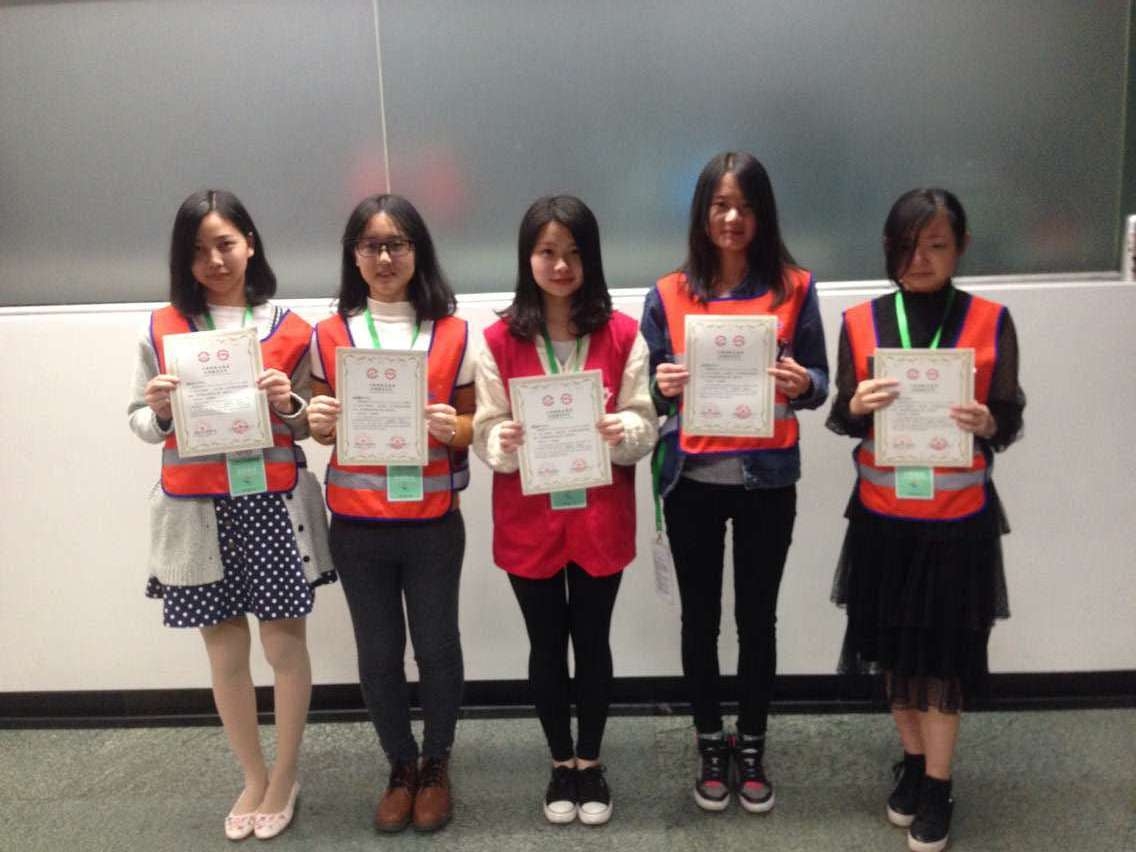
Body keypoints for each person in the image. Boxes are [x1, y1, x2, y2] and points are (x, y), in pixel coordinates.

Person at [128, 189, 334, 841]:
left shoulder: (293, 329)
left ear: (250, 243)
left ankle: (285, 774)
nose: (214, 260)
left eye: (225, 244)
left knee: (283, 646)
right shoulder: (161, 327)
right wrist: (160, 410)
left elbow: (312, 422)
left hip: (270, 502)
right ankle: (252, 773)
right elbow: (138, 421)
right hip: (195, 509)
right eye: (198, 250)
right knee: (224, 652)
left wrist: (289, 403)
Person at [827, 188, 1024, 852]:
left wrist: (988, 421)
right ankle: (912, 763)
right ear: (889, 249)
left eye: (936, 245)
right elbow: (842, 415)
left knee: (940, 662)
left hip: (955, 525)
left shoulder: (991, 320)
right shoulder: (861, 321)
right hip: (882, 521)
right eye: (908, 246)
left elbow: (1008, 419)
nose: (920, 258)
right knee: (892, 653)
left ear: (960, 247)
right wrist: (856, 404)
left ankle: (939, 785)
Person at [640, 152, 829, 813]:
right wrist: (660, 387)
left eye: (745, 206)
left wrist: (804, 383)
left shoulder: (795, 288)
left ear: (762, 214)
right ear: (702, 213)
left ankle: (751, 743)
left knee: (757, 619)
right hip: (691, 479)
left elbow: (821, 383)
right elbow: (644, 394)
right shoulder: (667, 293)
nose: (731, 218)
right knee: (700, 621)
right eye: (720, 205)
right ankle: (708, 741)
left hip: (766, 482)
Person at [473, 195, 657, 826]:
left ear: (591, 258)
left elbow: (645, 420)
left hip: (600, 514)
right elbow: (486, 427)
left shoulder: (623, 334)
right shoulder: (498, 340)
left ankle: (592, 761)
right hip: (530, 520)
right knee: (546, 644)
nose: (560, 265)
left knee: (594, 640)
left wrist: (623, 430)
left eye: (574, 253)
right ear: (527, 258)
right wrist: (502, 440)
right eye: (547, 252)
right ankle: (560, 762)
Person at [307, 193, 473, 834]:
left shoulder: (454, 332)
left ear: (417, 251)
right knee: (378, 653)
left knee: (437, 647)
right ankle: (400, 765)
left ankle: (437, 764)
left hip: (432, 520)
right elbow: (318, 424)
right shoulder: (330, 334)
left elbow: (475, 423)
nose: (384, 257)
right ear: (354, 255)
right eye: (371, 245)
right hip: (358, 523)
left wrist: (455, 427)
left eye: (397, 244)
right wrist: (318, 421)